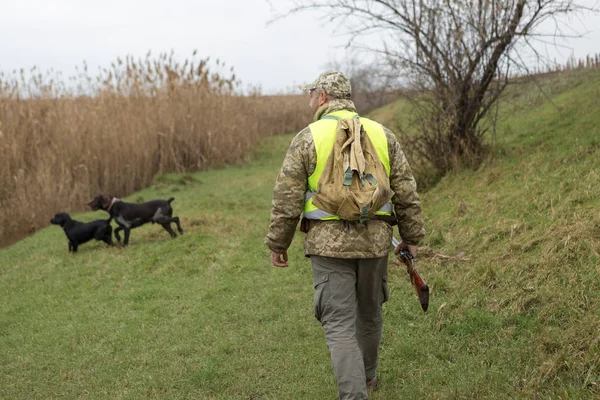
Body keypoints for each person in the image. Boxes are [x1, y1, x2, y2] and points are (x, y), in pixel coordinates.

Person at [264, 70, 425, 400]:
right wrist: (410, 236)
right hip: (376, 242)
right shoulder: (382, 134)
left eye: (311, 93)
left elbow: (287, 196)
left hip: (327, 246)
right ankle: (367, 380)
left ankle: (353, 395)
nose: (309, 99)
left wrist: (278, 243)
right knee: (369, 313)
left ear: (322, 96)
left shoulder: (308, 137)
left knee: (338, 323)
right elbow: (406, 189)